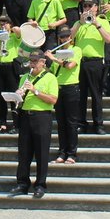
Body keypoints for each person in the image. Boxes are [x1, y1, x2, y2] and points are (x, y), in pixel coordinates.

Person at [11, 49, 58, 200]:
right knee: (24, 152)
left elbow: (53, 100)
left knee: (42, 153)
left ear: (43, 62)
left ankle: (40, 185)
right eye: (31, 61)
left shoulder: (50, 77)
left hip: (42, 116)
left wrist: (35, 90)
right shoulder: (25, 76)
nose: (32, 64)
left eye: (35, 62)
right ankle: (22, 183)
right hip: (26, 115)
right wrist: (18, 95)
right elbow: (20, 99)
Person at [72, 0, 110, 134]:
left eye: (90, 6)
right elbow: (68, 38)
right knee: (80, 96)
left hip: (95, 62)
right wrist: (79, 23)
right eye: (85, 6)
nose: (87, 8)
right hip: (80, 62)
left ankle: (98, 124)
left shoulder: (103, 21)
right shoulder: (79, 23)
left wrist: (97, 24)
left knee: (96, 94)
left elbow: (108, 39)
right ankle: (81, 123)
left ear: (96, 7)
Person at [48, 25, 81, 164]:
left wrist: (53, 58)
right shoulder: (57, 52)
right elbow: (51, 71)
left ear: (71, 38)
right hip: (58, 89)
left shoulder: (76, 50)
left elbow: (70, 66)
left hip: (71, 88)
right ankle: (62, 152)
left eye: (66, 36)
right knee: (61, 123)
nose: (64, 39)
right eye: (62, 37)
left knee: (71, 122)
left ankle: (72, 153)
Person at [0, 16, 24, 131]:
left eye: (5, 23)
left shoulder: (13, 36)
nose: (3, 26)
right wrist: (1, 42)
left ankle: (17, 124)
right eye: (1, 24)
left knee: (13, 96)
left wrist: (13, 30)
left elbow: (20, 33)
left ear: (9, 24)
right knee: (1, 97)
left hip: (11, 66)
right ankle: (3, 124)